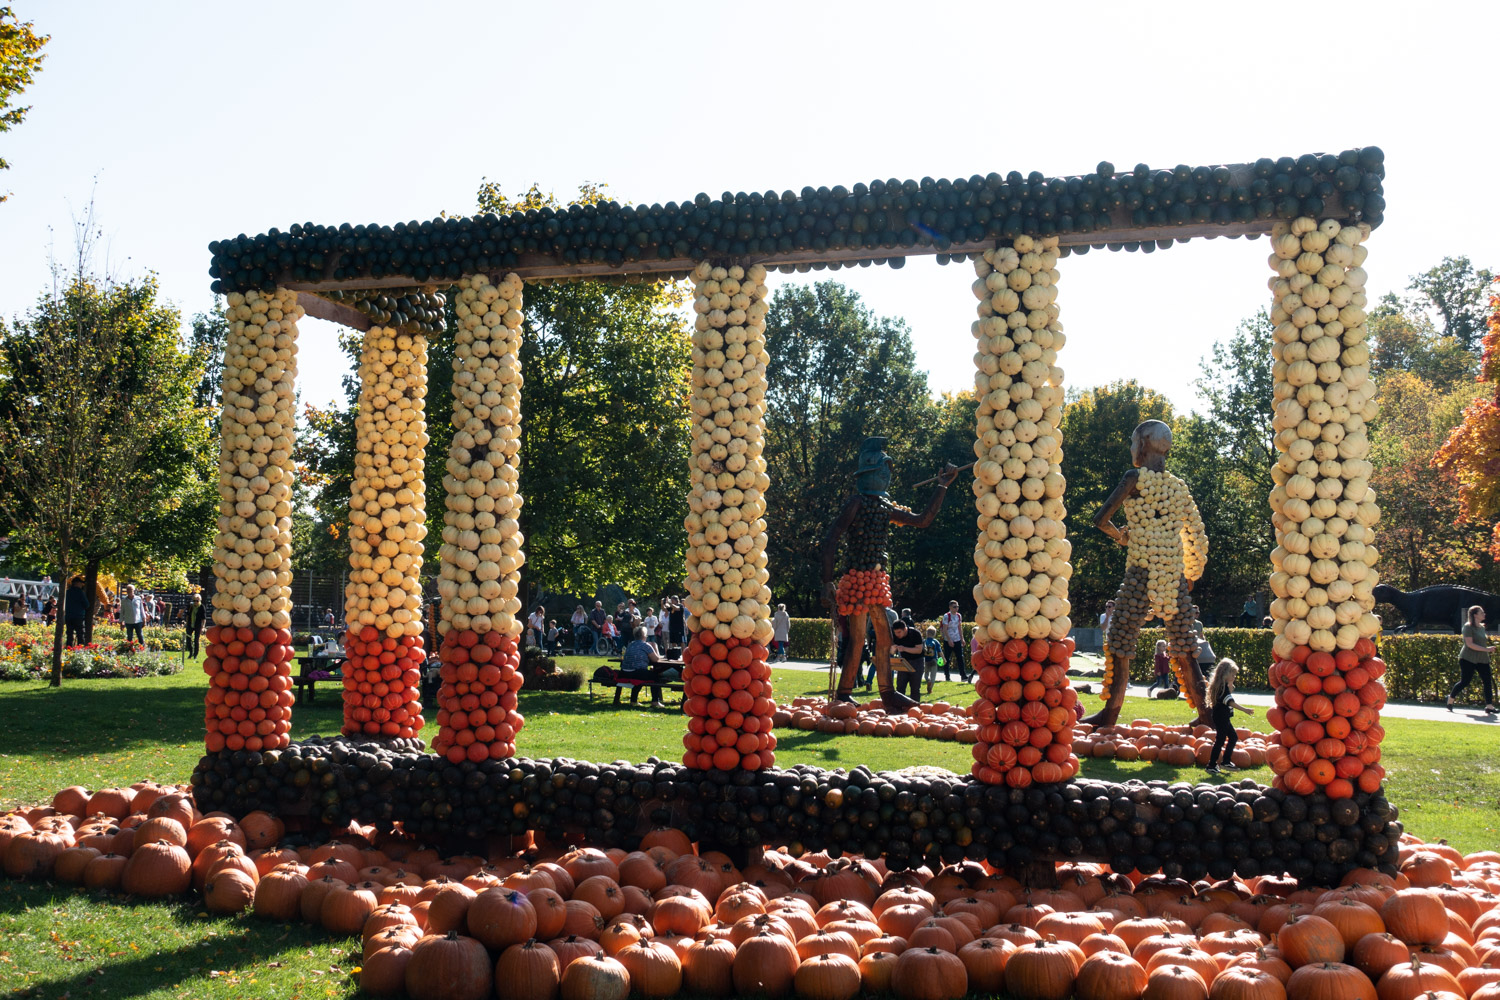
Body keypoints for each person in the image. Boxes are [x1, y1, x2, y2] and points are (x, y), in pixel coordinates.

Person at [820, 436, 959, 712]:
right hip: (857, 580)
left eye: (887, 471)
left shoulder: (885, 507)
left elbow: (922, 520)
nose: (886, 476)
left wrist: (942, 486)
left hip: (875, 582)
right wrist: (826, 581)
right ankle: (845, 693)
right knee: (858, 639)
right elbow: (831, 538)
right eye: (882, 470)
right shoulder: (856, 503)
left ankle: (886, 693)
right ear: (868, 473)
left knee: (884, 638)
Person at [1087, 419, 1210, 728]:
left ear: (1142, 445)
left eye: (1133, 442)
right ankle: (1207, 714)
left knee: (1120, 636)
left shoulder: (1134, 478)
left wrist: (1121, 536)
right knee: (1184, 645)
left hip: (1142, 569)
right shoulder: (1178, 486)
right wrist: (1191, 574)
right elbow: (1195, 534)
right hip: (1172, 573)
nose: (1132, 448)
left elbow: (1101, 519)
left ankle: (1110, 713)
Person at [1204, 658, 1254, 774]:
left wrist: (1230, 684)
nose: (1234, 677)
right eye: (1232, 674)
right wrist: (1245, 710)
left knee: (1232, 737)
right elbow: (1229, 702)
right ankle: (1212, 765)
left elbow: (1227, 697)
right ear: (1225, 674)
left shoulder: (1222, 685)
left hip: (1222, 717)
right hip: (1221, 717)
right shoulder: (1222, 687)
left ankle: (1224, 761)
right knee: (1221, 740)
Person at [1448, 605, 1497, 713]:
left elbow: (1480, 643)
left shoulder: (1482, 627)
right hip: (1467, 658)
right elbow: (1470, 644)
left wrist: (1487, 649)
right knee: (1465, 681)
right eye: (1481, 612)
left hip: (1482, 659)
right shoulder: (1467, 627)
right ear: (1475, 615)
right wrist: (1487, 649)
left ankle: (1489, 706)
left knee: (1487, 681)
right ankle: (1450, 700)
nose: (1484, 614)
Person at [619, 626, 669, 707]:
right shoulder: (646, 645)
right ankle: (655, 701)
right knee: (655, 676)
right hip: (636, 672)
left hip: (624, 672)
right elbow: (655, 659)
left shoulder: (630, 644)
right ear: (644, 636)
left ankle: (633, 701)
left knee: (641, 677)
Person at [889, 619, 926, 704]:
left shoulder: (915, 634)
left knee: (915, 688)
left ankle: (915, 707)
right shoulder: (895, 636)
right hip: (903, 661)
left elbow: (919, 650)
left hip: (917, 661)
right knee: (900, 687)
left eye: (899, 632)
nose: (897, 635)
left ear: (905, 629)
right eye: (895, 632)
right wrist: (893, 649)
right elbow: (892, 652)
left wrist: (904, 649)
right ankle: (900, 706)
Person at [939, 601, 968, 682]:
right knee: (947, 658)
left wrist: (962, 639)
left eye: (957, 607)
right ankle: (947, 676)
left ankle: (963, 675)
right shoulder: (947, 616)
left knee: (960, 657)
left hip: (957, 639)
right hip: (948, 640)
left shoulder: (959, 616)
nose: (956, 608)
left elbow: (959, 627)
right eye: (954, 607)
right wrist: (949, 640)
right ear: (950, 607)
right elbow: (945, 629)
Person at [63, 576, 88, 647]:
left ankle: (69, 647)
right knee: (80, 634)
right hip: (78, 616)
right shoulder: (80, 592)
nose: (82, 585)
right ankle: (80, 649)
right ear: (76, 583)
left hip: (68, 616)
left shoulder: (67, 592)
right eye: (81, 583)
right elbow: (86, 605)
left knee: (69, 634)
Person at [922, 626, 942, 695]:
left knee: (926, 674)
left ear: (927, 633)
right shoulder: (936, 641)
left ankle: (928, 680)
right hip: (934, 660)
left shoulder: (924, 641)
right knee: (933, 675)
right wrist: (944, 659)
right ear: (934, 634)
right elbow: (940, 651)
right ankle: (930, 688)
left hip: (926, 660)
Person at [185, 593, 206, 658]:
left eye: (197, 601)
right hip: (190, 624)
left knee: (196, 640)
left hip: (198, 625)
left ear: (200, 600)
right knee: (188, 639)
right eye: (194, 600)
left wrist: (203, 627)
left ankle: (195, 655)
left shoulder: (202, 607)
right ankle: (190, 653)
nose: (195, 602)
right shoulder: (190, 606)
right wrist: (186, 623)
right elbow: (187, 615)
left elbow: (203, 618)